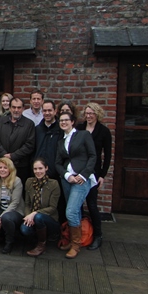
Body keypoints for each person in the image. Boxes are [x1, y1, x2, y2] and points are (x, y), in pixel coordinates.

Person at [55, 112, 97, 259]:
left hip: (81, 180)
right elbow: (57, 163)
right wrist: (67, 175)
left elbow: (93, 156)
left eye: (66, 120)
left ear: (72, 122)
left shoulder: (83, 135)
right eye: (61, 120)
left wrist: (83, 175)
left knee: (71, 211)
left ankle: (75, 245)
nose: (63, 122)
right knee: (76, 211)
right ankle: (73, 241)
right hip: (67, 180)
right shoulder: (61, 141)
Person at [77, 102, 112, 250]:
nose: (89, 116)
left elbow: (108, 155)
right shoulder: (79, 128)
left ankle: (98, 235)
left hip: (94, 173)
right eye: (87, 113)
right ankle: (78, 235)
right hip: (79, 170)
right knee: (77, 204)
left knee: (91, 204)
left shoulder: (104, 131)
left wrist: (102, 175)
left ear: (97, 114)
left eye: (91, 113)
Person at [20, 158, 61, 257]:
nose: (38, 171)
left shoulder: (53, 184)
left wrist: (34, 213)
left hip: (49, 218)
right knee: (24, 229)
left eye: (40, 168)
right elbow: (27, 204)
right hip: (33, 216)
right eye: (35, 169)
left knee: (39, 217)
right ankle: (38, 237)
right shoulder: (29, 182)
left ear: (46, 168)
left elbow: (52, 208)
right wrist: (28, 216)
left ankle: (41, 245)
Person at [0, 97, 35, 184]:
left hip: (20, 165)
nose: (16, 110)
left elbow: (29, 145)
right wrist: (4, 154)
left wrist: (13, 156)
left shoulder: (29, 124)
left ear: (23, 108)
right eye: (14, 107)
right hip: (3, 164)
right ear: (10, 108)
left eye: (19, 107)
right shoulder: (1, 121)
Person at [34, 99, 62, 178]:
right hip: (38, 172)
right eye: (44, 111)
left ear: (55, 111)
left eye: (49, 110)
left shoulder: (61, 130)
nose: (47, 113)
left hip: (55, 172)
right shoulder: (37, 129)